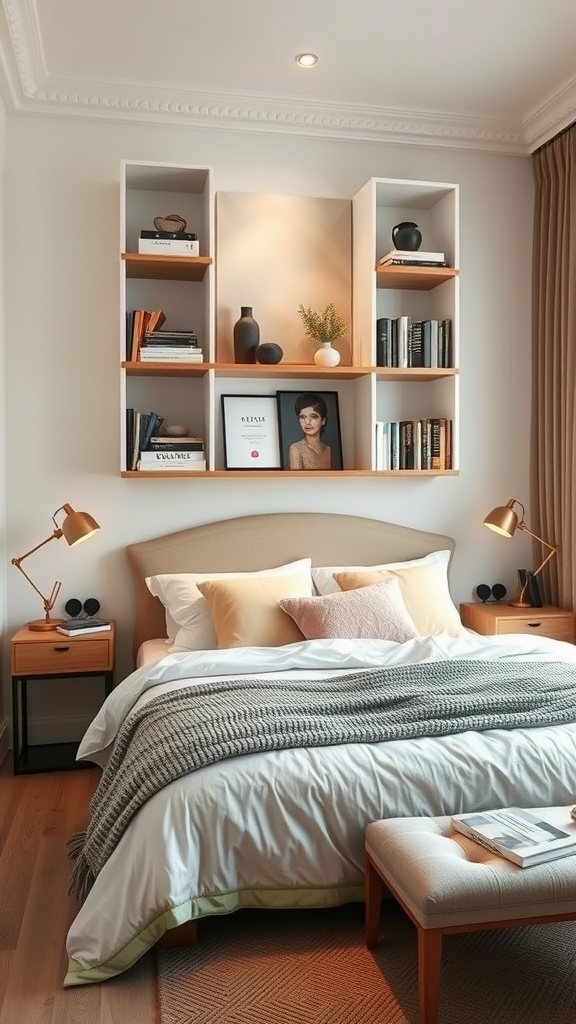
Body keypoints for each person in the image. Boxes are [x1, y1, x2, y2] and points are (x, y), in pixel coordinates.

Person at [288, 392, 332, 470]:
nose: (307, 422)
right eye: (302, 417)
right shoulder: (296, 449)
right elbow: (296, 480)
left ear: (323, 420)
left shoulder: (328, 450)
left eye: (313, 416)